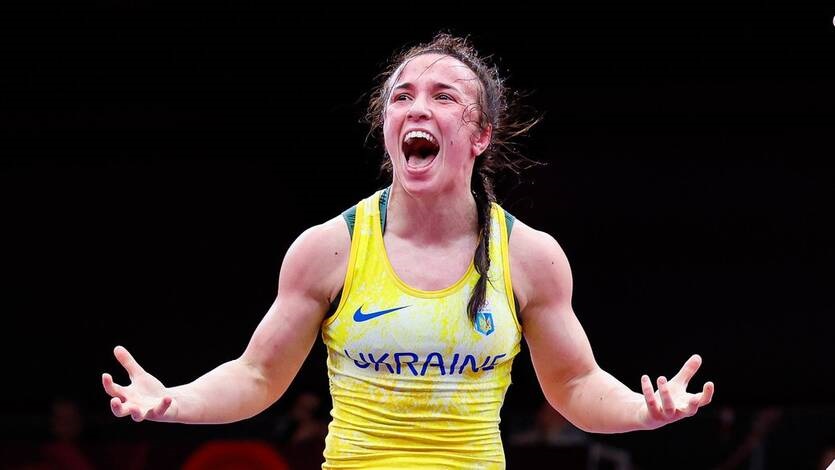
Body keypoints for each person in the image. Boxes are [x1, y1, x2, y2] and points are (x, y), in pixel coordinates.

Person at [101, 33, 715, 469]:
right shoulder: (328, 249)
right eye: (402, 96)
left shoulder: (530, 256)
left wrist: (642, 411)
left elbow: (576, 384)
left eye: (443, 96)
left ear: (480, 136)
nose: (418, 106)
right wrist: (174, 401)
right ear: (388, 128)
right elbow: (257, 375)